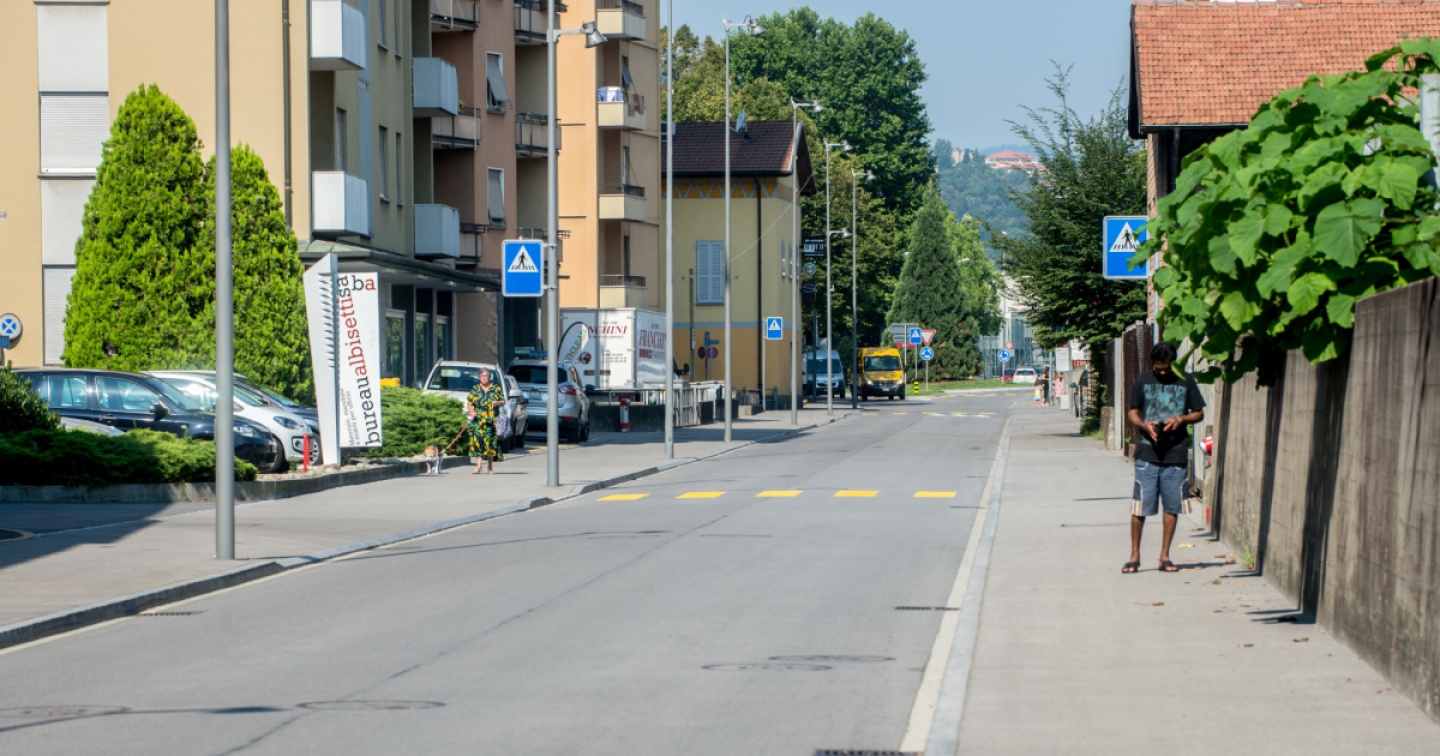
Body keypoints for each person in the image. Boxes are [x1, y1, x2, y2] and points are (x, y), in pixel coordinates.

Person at [1123, 342, 1205, 574]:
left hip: (1176, 453)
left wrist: (1181, 419)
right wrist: (1144, 425)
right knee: (1140, 506)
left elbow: (1199, 413)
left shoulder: (1186, 381)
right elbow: (1132, 412)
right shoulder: (1143, 380)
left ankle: (1165, 556)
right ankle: (1134, 556)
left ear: (1173, 363)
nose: (1161, 373)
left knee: (1172, 506)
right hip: (1147, 453)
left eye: (1166, 369)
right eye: (1158, 369)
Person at [465, 368, 507, 474]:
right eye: (482, 376)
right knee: (478, 442)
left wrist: (497, 403)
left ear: (490, 377)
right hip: (478, 421)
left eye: (486, 376)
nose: (485, 378)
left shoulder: (495, 388)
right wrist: (472, 412)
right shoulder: (475, 389)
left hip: (491, 421)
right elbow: (469, 403)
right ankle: (478, 467)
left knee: (490, 444)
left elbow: (503, 400)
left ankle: (490, 467)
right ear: (479, 377)